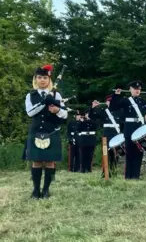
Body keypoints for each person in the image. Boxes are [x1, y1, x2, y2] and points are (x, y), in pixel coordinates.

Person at [25, 64, 68, 199]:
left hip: (51, 132)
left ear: (49, 79)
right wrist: (44, 102)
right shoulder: (30, 95)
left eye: (45, 77)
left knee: (50, 162)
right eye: (39, 77)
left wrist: (57, 110)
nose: (42, 80)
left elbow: (65, 115)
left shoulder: (57, 94)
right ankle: (36, 190)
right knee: (36, 161)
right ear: (35, 79)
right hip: (36, 132)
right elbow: (30, 112)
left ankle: (46, 190)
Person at [110, 82, 146, 179]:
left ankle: (136, 176)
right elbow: (113, 107)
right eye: (135, 88)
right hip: (129, 129)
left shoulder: (142, 101)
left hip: (140, 129)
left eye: (139, 88)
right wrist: (116, 95)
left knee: (139, 153)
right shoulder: (125, 101)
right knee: (129, 154)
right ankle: (128, 176)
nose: (137, 90)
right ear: (130, 89)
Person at [90, 94, 125, 177]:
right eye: (109, 102)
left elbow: (123, 123)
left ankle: (113, 172)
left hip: (116, 134)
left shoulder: (119, 111)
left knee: (115, 154)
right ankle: (105, 172)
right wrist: (93, 108)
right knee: (106, 154)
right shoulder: (103, 111)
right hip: (107, 135)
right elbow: (92, 116)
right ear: (106, 103)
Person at [78, 109, 98, 173]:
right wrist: (81, 121)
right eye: (86, 114)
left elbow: (96, 126)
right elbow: (79, 129)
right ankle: (83, 169)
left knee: (90, 155)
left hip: (91, 139)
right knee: (83, 155)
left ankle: (89, 168)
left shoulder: (93, 121)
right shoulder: (82, 121)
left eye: (88, 114)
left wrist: (89, 119)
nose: (87, 115)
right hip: (84, 139)